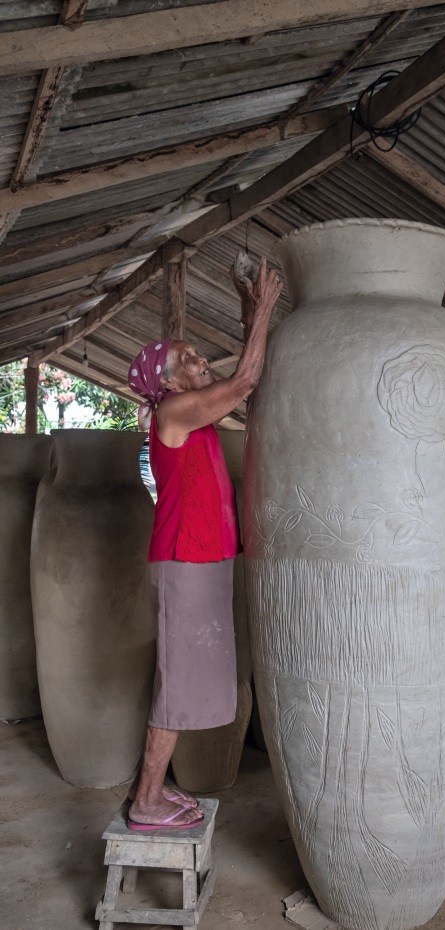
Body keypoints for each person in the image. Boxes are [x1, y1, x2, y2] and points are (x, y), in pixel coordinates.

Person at [125, 257, 282, 830]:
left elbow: (235, 378)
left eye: (193, 353)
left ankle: (154, 791)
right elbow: (243, 382)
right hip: (183, 560)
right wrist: (263, 309)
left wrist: (250, 321)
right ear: (165, 384)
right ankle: (146, 799)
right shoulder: (174, 411)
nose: (196, 360)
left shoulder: (193, 415)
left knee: (185, 677)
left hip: (202, 558)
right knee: (176, 681)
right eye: (183, 360)